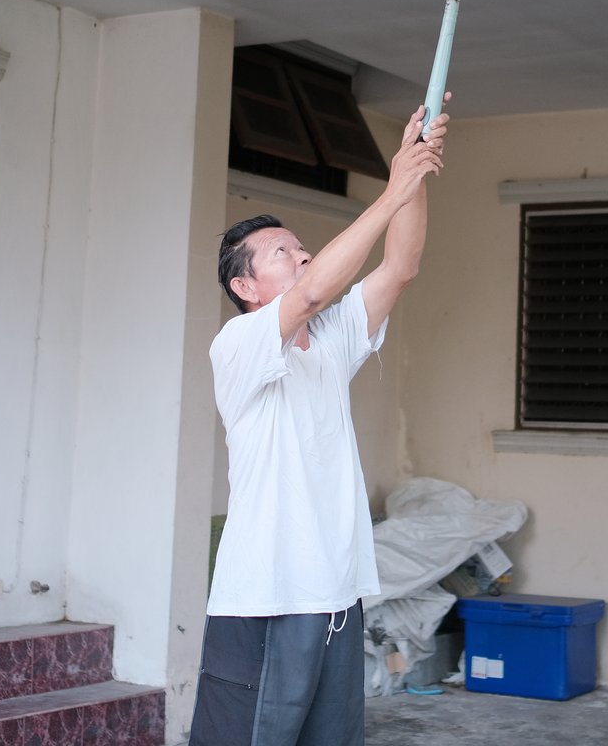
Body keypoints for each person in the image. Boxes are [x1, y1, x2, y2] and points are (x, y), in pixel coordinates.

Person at [190, 100, 450, 746]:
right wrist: (389, 194)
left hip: (336, 596)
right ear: (246, 288)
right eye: (283, 252)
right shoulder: (241, 342)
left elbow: (400, 267)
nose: (303, 258)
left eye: (304, 248)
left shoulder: (331, 339)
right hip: (267, 600)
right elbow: (312, 294)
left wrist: (412, 176)